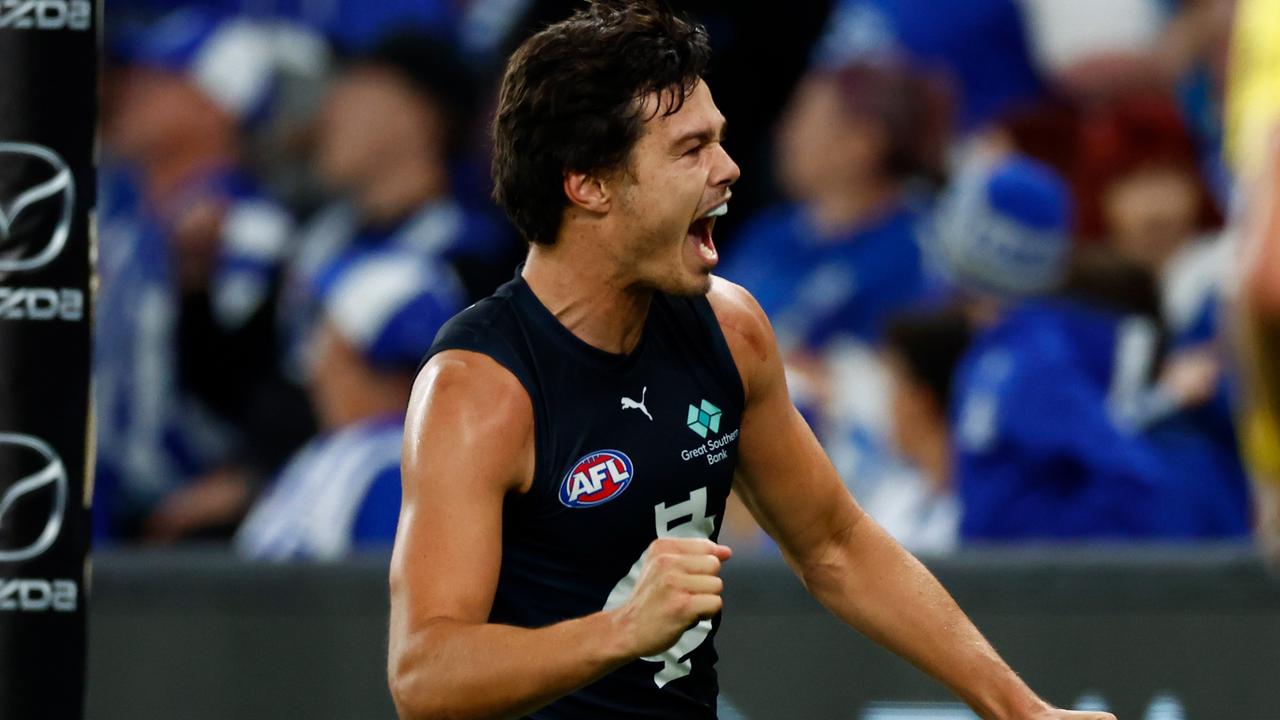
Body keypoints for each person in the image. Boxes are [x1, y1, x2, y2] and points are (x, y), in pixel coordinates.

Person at [387, 4, 1114, 719]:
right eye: (691, 149)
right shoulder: (479, 391)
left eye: (722, 142)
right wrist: (620, 631)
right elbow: (424, 674)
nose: (731, 169)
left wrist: (1022, 710)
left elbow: (836, 544)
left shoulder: (730, 332)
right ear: (589, 183)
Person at [236, 250, 465, 560]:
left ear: (364, 354)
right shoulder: (340, 452)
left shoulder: (397, 473)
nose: (314, 370)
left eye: (327, 340)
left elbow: (381, 603)